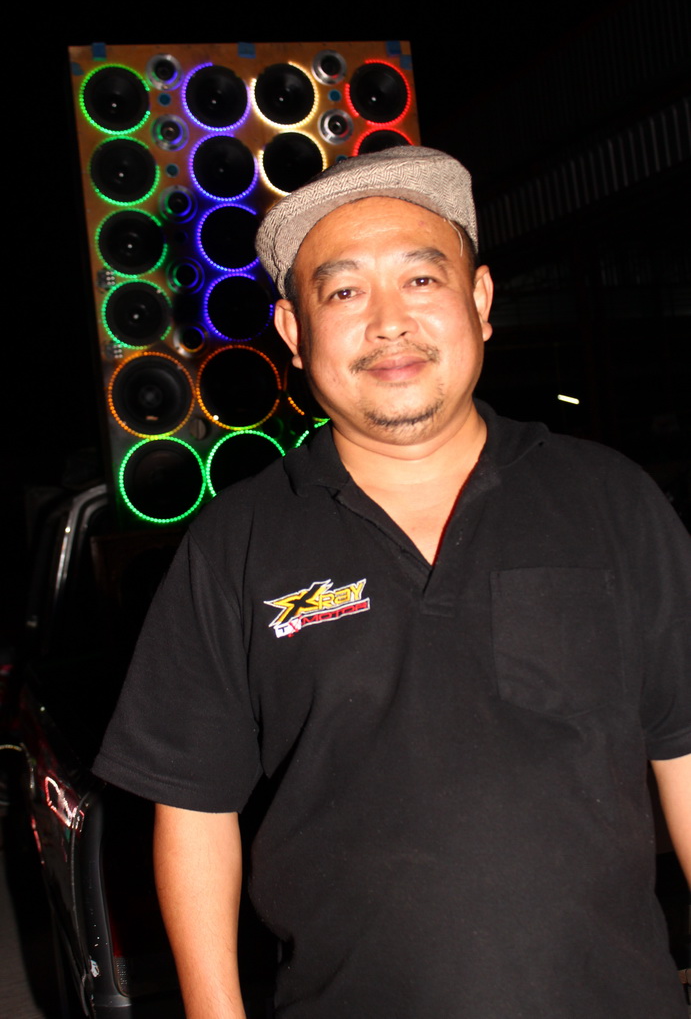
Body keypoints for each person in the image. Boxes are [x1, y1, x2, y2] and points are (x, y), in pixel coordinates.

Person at [93, 147, 691, 1019]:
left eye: (419, 279)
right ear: (293, 334)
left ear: (479, 301)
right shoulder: (236, 542)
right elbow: (192, 810)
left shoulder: (611, 500)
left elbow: (685, 749)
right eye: (342, 291)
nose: (387, 322)